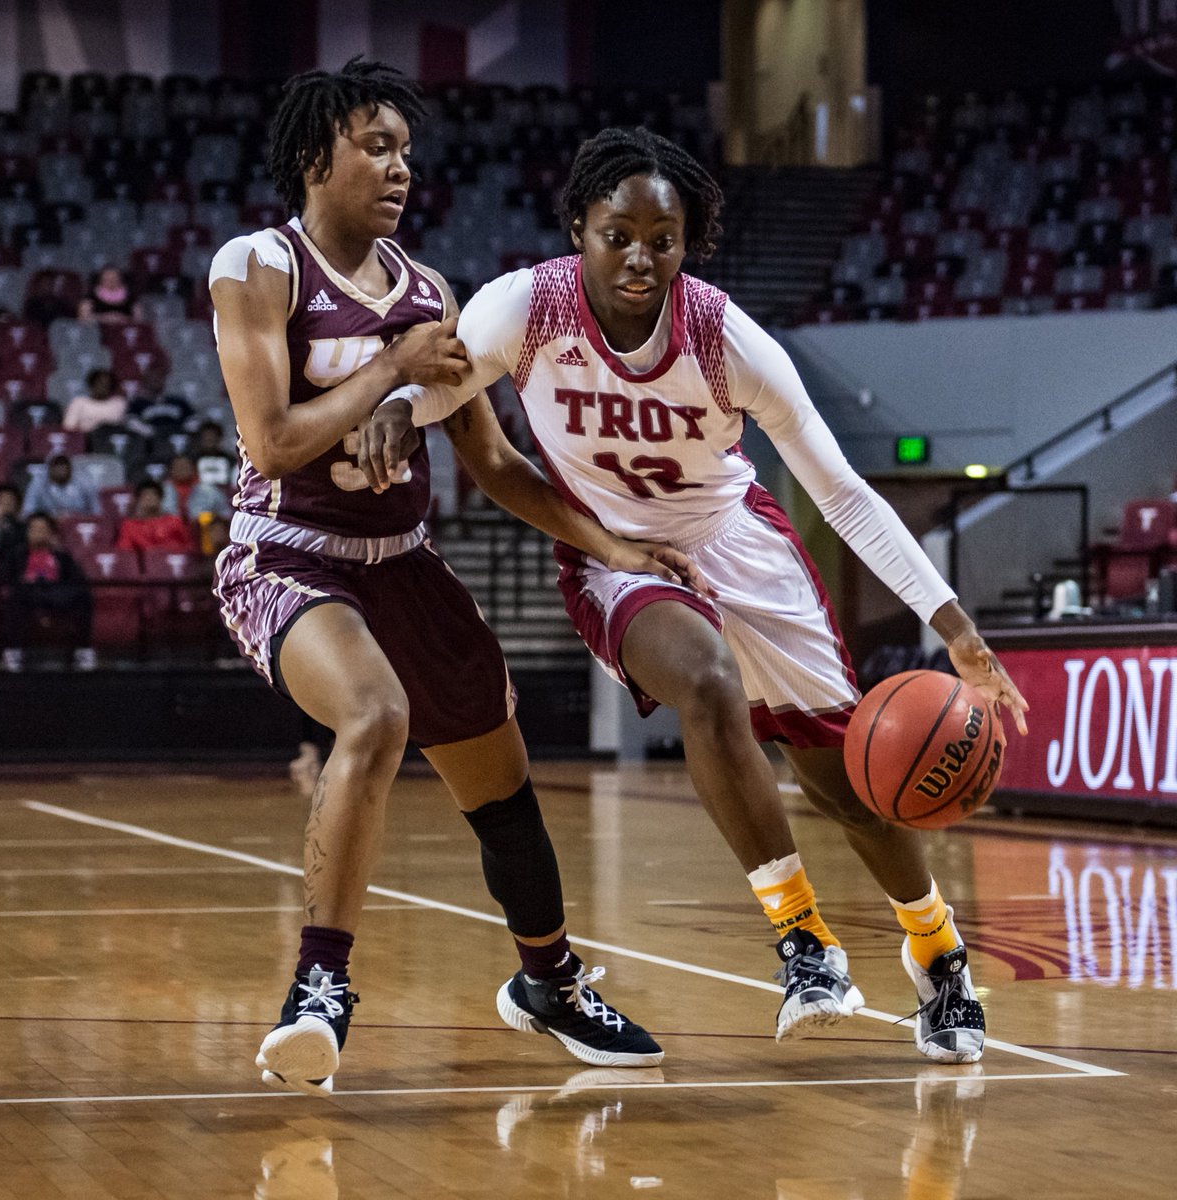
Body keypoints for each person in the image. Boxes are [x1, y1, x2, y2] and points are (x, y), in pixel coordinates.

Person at [374, 127, 1031, 1065]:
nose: (640, 256)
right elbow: (446, 382)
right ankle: (805, 944)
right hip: (615, 555)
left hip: (740, 543)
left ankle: (940, 956)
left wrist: (953, 624)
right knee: (710, 682)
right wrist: (399, 412)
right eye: (617, 234)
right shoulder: (528, 305)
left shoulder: (726, 339)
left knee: (852, 788)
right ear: (579, 229)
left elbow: (842, 490)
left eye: (663, 238)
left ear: (689, 242)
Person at [208, 60, 708, 1096]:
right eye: (376, 146)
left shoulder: (430, 291)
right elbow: (268, 442)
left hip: (404, 563)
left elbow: (492, 464)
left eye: (405, 148)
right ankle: (319, 989)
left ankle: (552, 982)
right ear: (317, 158)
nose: (401, 166)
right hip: (285, 551)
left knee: (503, 781)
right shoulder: (259, 266)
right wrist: (391, 367)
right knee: (374, 715)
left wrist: (614, 549)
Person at [0, 511, 95, 672]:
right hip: (28, 593)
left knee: (83, 595)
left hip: (56, 593)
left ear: (51, 533)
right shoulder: (17, 553)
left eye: (43, 529)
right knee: (15, 596)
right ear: (27, 533)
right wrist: (22, 580)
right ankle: (13, 651)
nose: (38, 533)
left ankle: (83, 650)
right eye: (34, 529)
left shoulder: (61, 555)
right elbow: (0, 575)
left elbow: (78, 578)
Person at [115, 479, 195, 554]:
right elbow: (124, 553)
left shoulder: (174, 521)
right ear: (138, 500)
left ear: (160, 498)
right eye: (145, 495)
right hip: (143, 567)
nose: (149, 498)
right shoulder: (129, 526)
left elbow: (189, 547)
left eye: (153, 494)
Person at [123, 364, 196, 438]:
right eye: (152, 377)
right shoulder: (137, 404)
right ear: (145, 381)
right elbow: (131, 422)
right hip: (149, 444)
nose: (156, 380)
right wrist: (150, 432)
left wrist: (180, 431)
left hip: (177, 441)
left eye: (159, 377)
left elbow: (193, 421)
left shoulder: (178, 402)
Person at [22, 454, 100, 517]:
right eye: (56, 465)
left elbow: (96, 511)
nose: (60, 469)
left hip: (76, 523)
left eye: (63, 465)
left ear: (70, 469)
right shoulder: (38, 483)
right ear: (49, 469)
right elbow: (28, 511)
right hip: (48, 524)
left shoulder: (84, 482)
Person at [161, 453, 231, 523]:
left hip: (204, 530)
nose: (182, 469)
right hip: (169, 531)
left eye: (185, 466)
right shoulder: (161, 491)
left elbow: (225, 514)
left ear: (193, 468)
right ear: (170, 470)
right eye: (178, 466)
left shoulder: (212, 491)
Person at [62, 368, 127, 433]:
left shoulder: (119, 403)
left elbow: (124, 427)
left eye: (107, 384)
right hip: (85, 439)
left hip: (110, 440)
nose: (104, 387)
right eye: (100, 383)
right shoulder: (79, 402)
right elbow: (68, 427)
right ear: (91, 384)